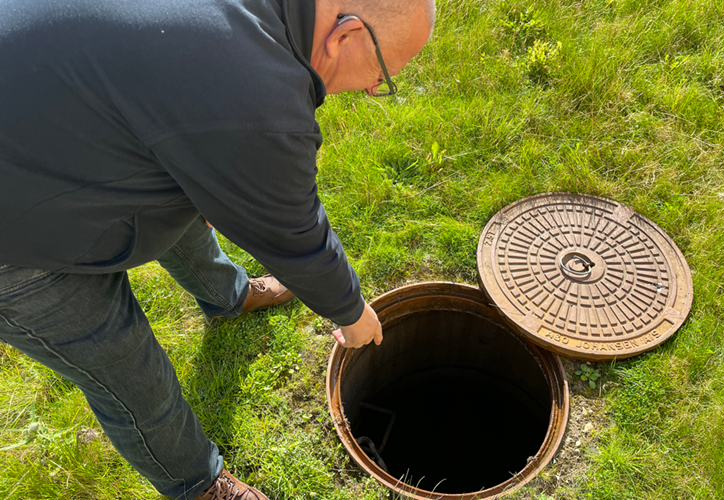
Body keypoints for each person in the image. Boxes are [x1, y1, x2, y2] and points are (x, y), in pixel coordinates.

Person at [0, 0, 435, 498]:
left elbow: (196, 130)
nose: (372, 89)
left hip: (49, 120)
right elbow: (294, 232)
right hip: (13, 235)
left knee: (180, 201)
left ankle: (228, 296)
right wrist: (352, 314)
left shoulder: (248, 27)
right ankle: (197, 484)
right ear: (345, 35)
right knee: (123, 366)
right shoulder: (254, 92)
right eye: (382, 74)